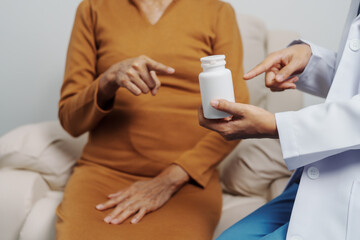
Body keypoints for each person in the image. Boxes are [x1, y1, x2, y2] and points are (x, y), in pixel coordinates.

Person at [56, 0, 249, 239]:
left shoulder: (217, 11)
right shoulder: (93, 9)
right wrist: (108, 80)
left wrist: (170, 179)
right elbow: (70, 121)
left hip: (186, 179)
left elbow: (238, 115)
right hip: (104, 176)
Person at [199, 0, 360, 239]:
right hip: (323, 174)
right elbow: (351, 80)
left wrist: (276, 125)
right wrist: (310, 61)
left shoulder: (217, 12)